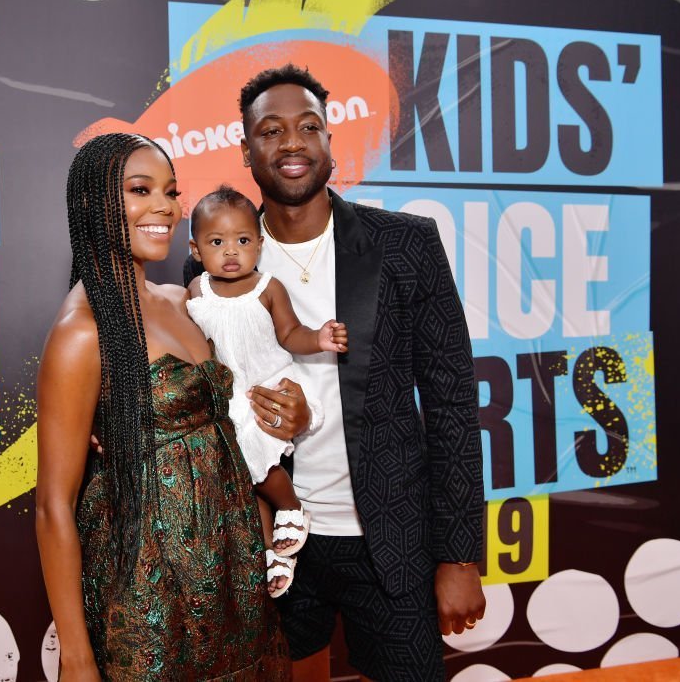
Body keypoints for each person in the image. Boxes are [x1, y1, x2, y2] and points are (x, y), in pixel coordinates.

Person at [185, 65, 486, 681]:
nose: (291, 142)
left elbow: (453, 403)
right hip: (271, 537)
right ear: (246, 150)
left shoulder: (406, 243)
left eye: (308, 127)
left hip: (391, 540)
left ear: (328, 141)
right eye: (270, 130)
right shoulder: (218, 261)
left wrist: (459, 555)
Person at [35, 133, 289, 681]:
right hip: (145, 593)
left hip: (230, 570)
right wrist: (77, 661)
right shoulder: (81, 334)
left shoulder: (185, 299)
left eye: (171, 192)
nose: (164, 208)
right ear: (91, 204)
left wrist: (291, 405)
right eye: (139, 190)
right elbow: (54, 506)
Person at [185, 184, 349, 597]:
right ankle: (269, 552)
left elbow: (291, 334)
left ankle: (292, 506)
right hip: (227, 397)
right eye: (217, 242)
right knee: (242, 478)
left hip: (267, 390)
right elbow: (191, 348)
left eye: (242, 241)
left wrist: (321, 338)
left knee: (255, 452)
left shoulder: (267, 287)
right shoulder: (195, 293)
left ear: (259, 243)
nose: (231, 251)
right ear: (195, 249)